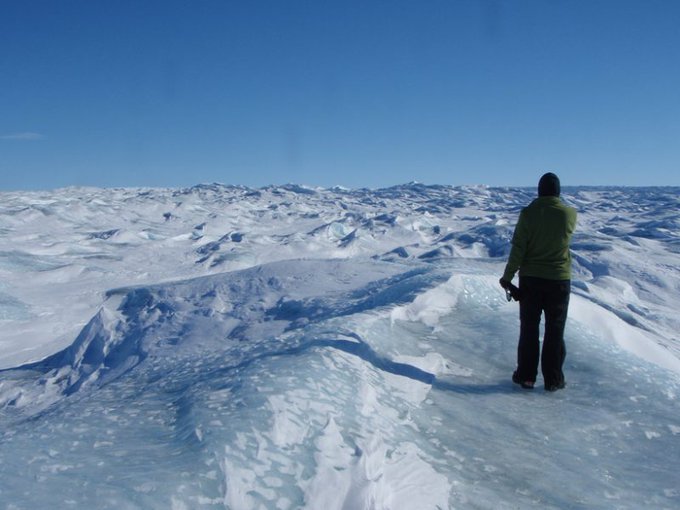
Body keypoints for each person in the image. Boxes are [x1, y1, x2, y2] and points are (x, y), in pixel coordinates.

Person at [499, 172, 577, 391]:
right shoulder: (569, 214)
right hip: (559, 281)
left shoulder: (528, 214)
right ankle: (553, 380)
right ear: (558, 192)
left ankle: (526, 376)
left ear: (539, 190)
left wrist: (507, 277)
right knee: (555, 330)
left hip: (531, 280)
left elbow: (519, 249)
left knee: (529, 330)